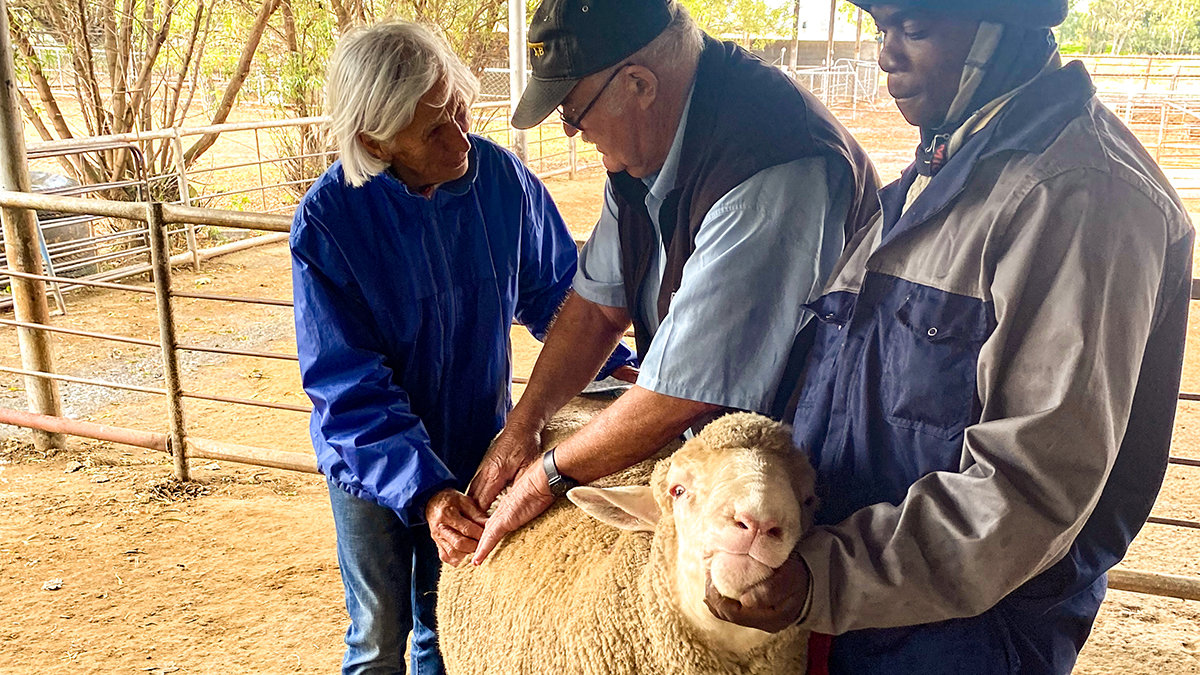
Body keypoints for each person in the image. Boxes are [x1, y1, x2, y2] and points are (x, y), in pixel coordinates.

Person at [704, 2, 1195, 674]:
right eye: (883, 30)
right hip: (856, 622)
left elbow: (1030, 490)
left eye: (916, 28)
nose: (886, 55)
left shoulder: (1080, 197)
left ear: (1004, 30)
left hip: (962, 642)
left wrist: (826, 578)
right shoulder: (938, 170)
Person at [466, 0, 881, 564]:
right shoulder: (643, 153)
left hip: (803, 476)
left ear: (637, 84)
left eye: (572, 110)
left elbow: (683, 390)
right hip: (724, 450)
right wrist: (524, 425)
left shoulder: (769, 162)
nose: (571, 131)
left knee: (767, 636)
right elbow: (595, 309)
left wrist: (545, 477)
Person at [290, 21, 629, 675]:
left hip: (474, 439)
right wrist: (424, 490)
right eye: (432, 130)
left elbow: (559, 291)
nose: (460, 138)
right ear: (374, 141)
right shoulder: (331, 222)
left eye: (457, 108)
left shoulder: (499, 179)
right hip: (371, 467)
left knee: (451, 620)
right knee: (378, 634)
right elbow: (347, 383)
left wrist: (615, 361)